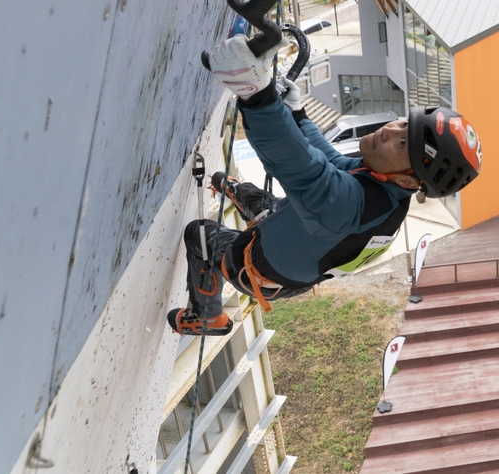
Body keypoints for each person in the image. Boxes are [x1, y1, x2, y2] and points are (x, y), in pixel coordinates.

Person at [167, 37, 482, 335]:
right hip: (295, 240)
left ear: (409, 180)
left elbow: (299, 165)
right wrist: (297, 113)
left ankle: (209, 317)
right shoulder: (385, 186)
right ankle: (232, 188)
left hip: (261, 271)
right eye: (403, 123)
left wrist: (257, 96)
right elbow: (330, 159)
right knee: (260, 201)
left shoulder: (351, 207)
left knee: (198, 234)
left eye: (402, 144)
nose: (389, 131)